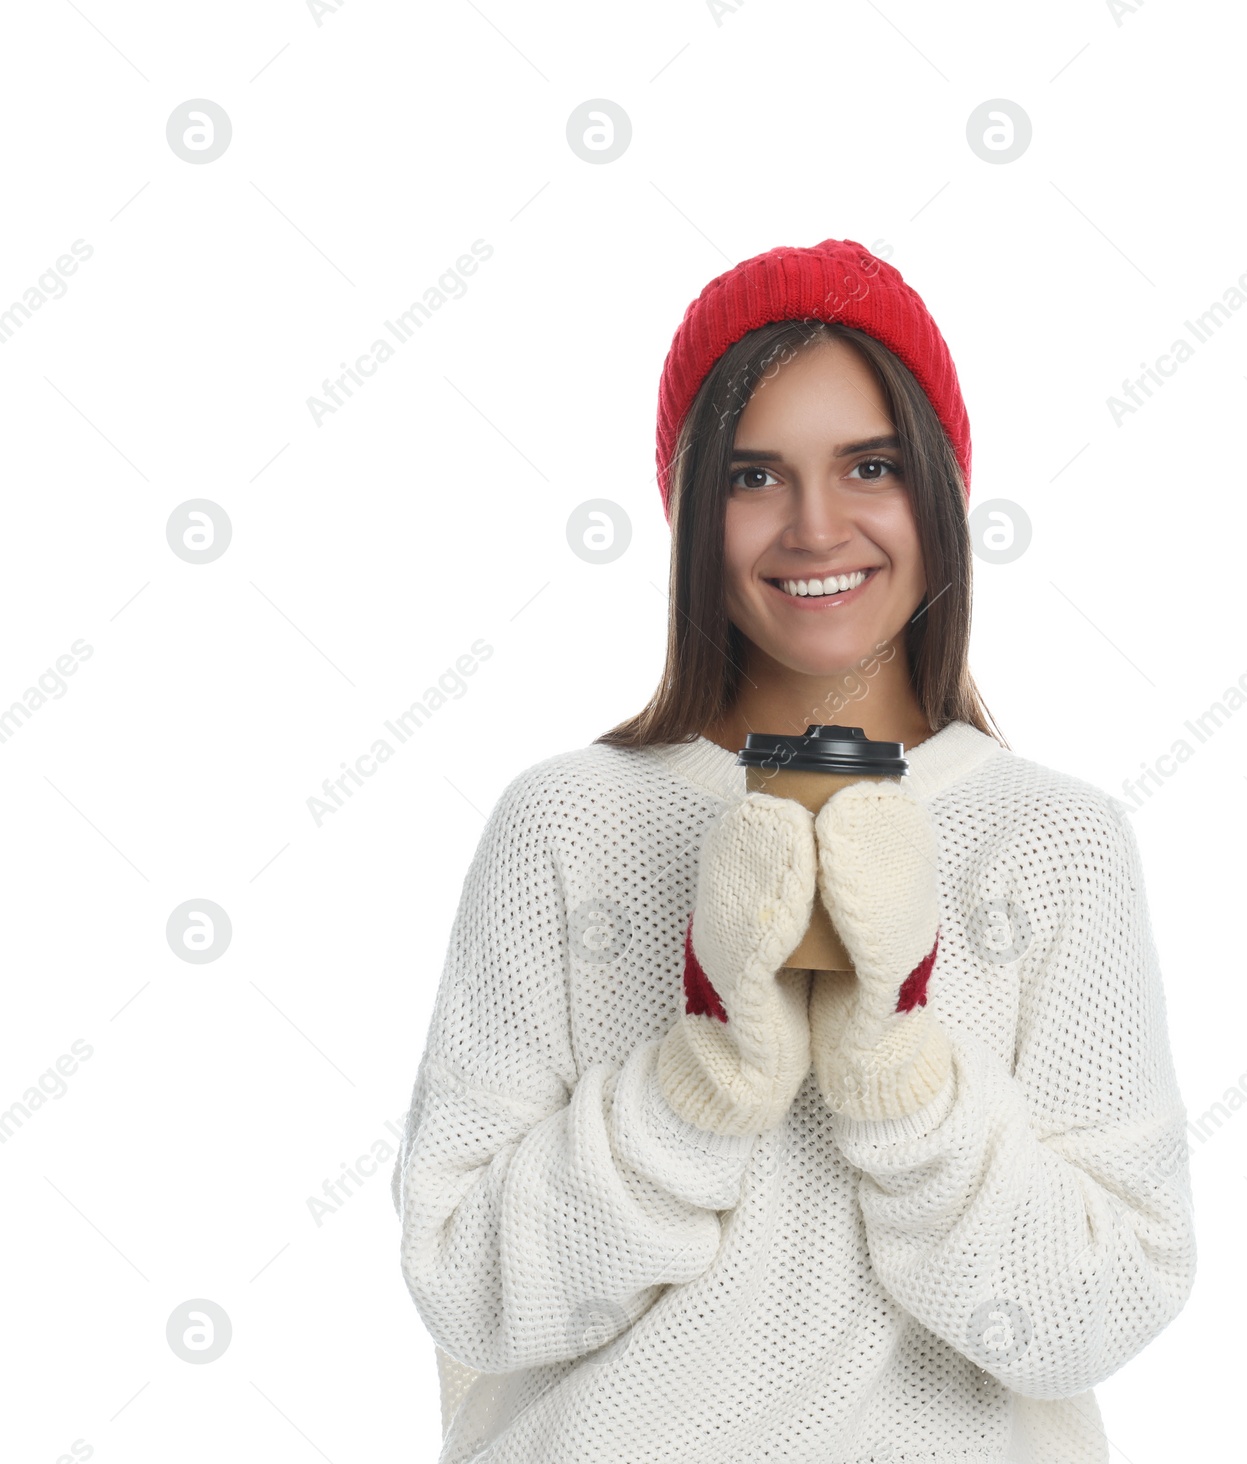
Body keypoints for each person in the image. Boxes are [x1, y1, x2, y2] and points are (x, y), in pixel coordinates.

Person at [391, 238, 1197, 1464]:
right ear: (689, 514)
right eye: (754, 476)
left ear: (937, 489)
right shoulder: (563, 825)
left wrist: (901, 1077)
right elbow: (465, 1287)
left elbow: (1099, 1304)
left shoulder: (1056, 846)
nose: (816, 526)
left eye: (867, 465)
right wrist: (700, 1081)